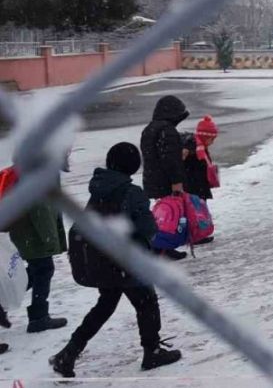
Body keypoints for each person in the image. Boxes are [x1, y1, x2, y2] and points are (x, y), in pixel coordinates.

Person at [50, 142, 182, 378]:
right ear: (133, 166)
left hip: (102, 258)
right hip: (124, 261)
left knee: (105, 305)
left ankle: (68, 353)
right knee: (147, 303)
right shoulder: (132, 193)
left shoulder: (98, 188)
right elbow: (148, 229)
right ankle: (152, 352)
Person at [9, 190, 68, 333]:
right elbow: (40, 211)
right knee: (43, 270)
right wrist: (51, 239)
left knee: (37, 270)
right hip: (34, 235)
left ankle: (37, 315)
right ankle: (39, 318)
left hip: (27, 233)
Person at [140, 96, 189, 260]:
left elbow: (151, 156)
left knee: (160, 214)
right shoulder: (167, 131)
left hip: (152, 178)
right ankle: (164, 247)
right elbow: (170, 160)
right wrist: (176, 182)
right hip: (166, 180)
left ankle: (159, 245)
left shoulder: (149, 129)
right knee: (170, 215)